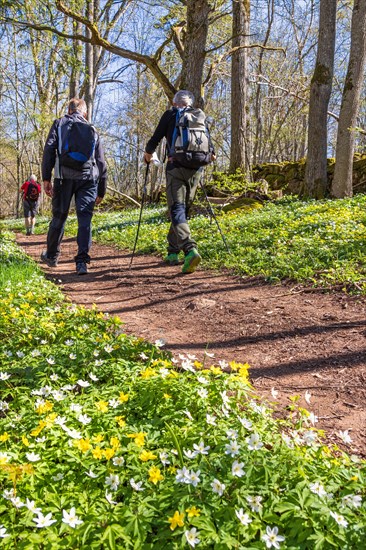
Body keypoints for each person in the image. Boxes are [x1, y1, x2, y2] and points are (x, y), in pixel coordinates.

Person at [144, 90, 215, 274]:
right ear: (189, 102)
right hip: (196, 169)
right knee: (183, 210)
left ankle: (189, 249)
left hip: (175, 168)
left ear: (175, 103)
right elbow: (212, 151)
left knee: (176, 208)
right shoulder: (199, 115)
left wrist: (147, 154)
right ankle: (172, 252)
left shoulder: (171, 114)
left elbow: (156, 137)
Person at [41, 98, 107, 275]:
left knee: (59, 216)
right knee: (84, 220)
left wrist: (46, 177)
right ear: (84, 112)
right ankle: (82, 262)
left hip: (64, 178)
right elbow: (101, 161)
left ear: (68, 110)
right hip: (88, 180)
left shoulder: (59, 123)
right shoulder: (92, 129)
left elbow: (49, 150)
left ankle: (52, 256)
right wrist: (102, 188)